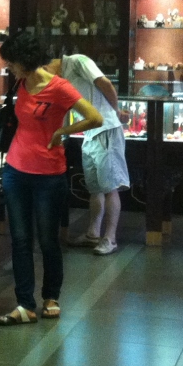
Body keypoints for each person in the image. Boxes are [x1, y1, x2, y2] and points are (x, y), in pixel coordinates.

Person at [0, 31, 103, 326]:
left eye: (11, 62)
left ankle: (51, 297)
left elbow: (95, 117)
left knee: (47, 240)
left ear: (25, 60)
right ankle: (25, 305)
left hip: (49, 175)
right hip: (15, 170)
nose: (9, 68)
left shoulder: (59, 87)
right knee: (20, 240)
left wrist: (63, 131)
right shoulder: (20, 84)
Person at [47, 52, 129, 255]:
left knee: (110, 187)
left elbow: (105, 83)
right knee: (95, 188)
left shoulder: (78, 61)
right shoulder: (60, 78)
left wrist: (116, 111)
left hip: (106, 128)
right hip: (90, 133)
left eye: (44, 70)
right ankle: (93, 233)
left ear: (50, 63)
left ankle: (110, 238)